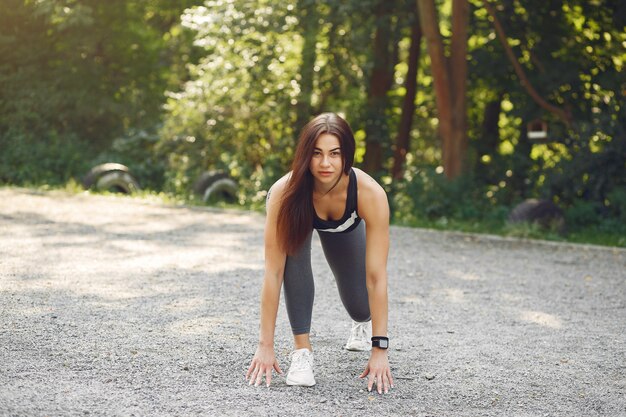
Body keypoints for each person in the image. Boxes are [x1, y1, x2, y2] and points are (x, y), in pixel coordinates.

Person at [245, 112, 394, 394]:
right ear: (305, 155)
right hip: (300, 217)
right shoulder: (283, 192)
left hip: (345, 228)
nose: (325, 163)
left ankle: (361, 324)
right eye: (317, 154)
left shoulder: (370, 193)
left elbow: (376, 276)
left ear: (347, 155)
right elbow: (274, 271)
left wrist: (380, 347)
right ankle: (302, 351)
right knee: (293, 252)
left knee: (361, 307)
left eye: (335, 153)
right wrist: (265, 345)